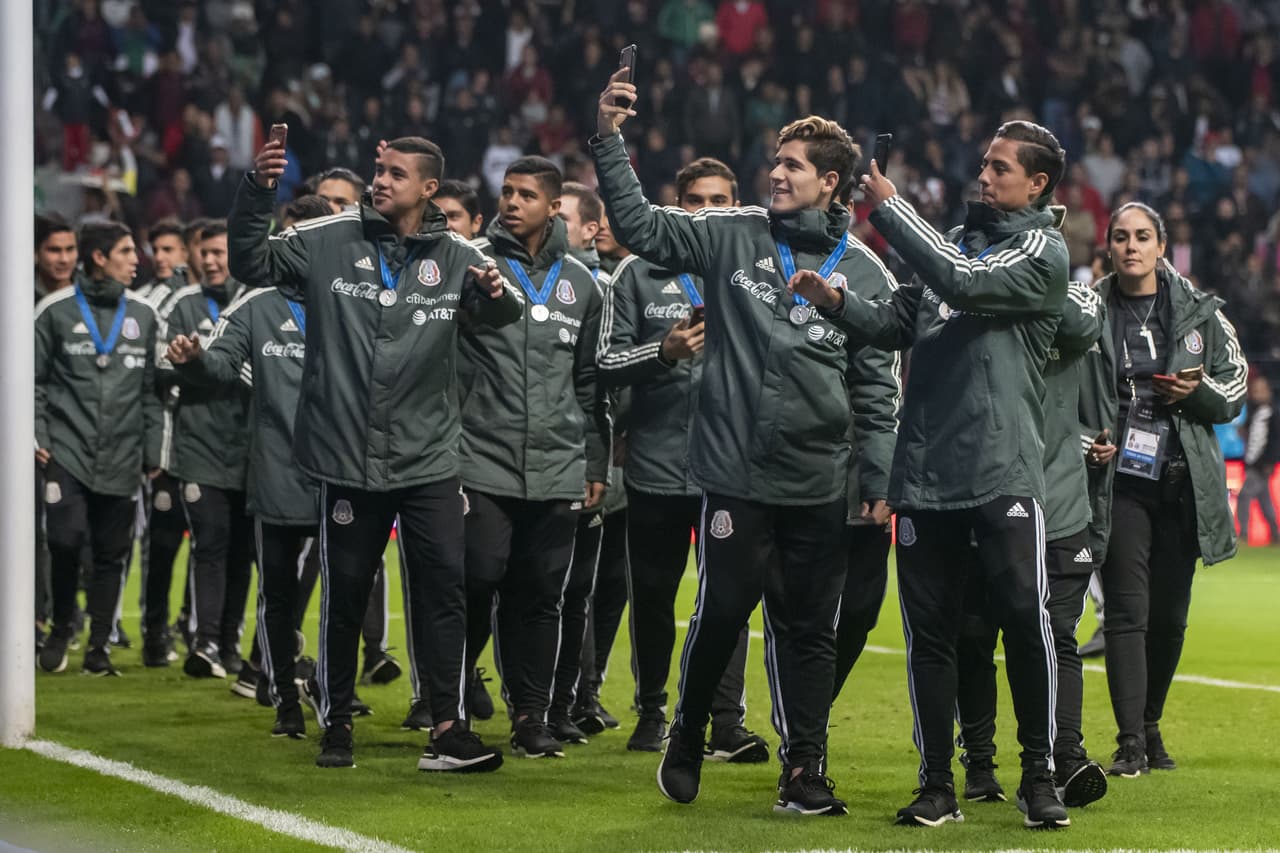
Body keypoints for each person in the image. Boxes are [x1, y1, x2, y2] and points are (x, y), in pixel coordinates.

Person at [595, 69, 900, 815]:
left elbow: (875, 384)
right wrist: (610, 138)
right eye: (776, 159)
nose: (776, 171)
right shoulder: (731, 230)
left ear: (831, 182)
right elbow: (639, 227)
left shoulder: (865, 271)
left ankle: (804, 767)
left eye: (792, 164)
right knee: (724, 607)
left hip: (819, 478)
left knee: (808, 630)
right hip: (734, 472)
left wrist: (876, 472)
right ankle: (689, 730)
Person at [228, 134, 519, 772]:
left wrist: (495, 295)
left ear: (429, 189)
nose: (380, 180)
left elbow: (505, 315)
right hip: (349, 456)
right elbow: (250, 262)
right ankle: (335, 721)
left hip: (429, 459)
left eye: (395, 173)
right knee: (347, 591)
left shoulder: (459, 253)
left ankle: (447, 728)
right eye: (378, 170)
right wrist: (257, 189)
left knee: (446, 587)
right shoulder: (328, 239)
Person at [824, 120, 1072, 828]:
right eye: (984, 165)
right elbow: (897, 317)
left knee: (1024, 620)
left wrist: (889, 205)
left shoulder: (1039, 248)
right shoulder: (955, 247)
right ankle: (938, 784)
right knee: (929, 634)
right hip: (926, 472)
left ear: (1037, 184)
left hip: (1001, 470)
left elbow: (960, 280)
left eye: (1000, 169)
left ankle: (1039, 774)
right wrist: (837, 304)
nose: (984, 177)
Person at [596, 157, 773, 761]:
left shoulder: (756, 270)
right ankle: (651, 710)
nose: (707, 212)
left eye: (720, 201)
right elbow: (604, 365)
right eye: (695, 201)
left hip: (732, 467)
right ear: (675, 207)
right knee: (652, 593)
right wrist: (662, 352)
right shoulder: (636, 274)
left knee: (728, 595)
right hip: (658, 463)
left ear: (736, 204)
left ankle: (725, 721)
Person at [1085, 203, 1247, 777]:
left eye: (1143, 237)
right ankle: (1130, 743)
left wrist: (1195, 395)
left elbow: (1235, 388)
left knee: (1170, 618)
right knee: (1127, 611)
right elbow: (1060, 390)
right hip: (1119, 482)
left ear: (1162, 246)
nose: (1132, 246)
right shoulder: (1087, 310)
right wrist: (1088, 440)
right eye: (1122, 237)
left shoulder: (1200, 311)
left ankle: (1150, 724)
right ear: (1109, 247)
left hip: (1182, 485)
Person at [461, 156, 610, 758]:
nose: (512, 202)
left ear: (554, 208)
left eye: (526, 194)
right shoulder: (471, 263)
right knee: (478, 576)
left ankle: (531, 714)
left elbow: (589, 384)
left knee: (542, 593)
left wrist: (594, 462)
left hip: (555, 460)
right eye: (506, 191)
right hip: (481, 455)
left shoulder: (583, 283)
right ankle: (449, 700)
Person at [166, 194, 331, 738]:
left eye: (306, 236)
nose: (294, 245)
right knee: (278, 593)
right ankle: (282, 695)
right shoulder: (257, 304)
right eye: (287, 236)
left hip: (346, 474)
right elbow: (220, 363)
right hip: (280, 472)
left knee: (344, 593)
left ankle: (332, 696)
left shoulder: (356, 301)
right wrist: (194, 359)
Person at [954, 278, 1111, 811]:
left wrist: (1022, 282)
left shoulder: (1073, 293)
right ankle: (979, 762)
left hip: (1059, 506)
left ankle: (1064, 757)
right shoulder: (967, 286)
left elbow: (1084, 322)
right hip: (986, 498)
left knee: (1057, 637)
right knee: (975, 635)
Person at [35, 222, 161, 675]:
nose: (136, 258)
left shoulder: (145, 315)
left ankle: (98, 647)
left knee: (112, 554)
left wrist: (153, 451)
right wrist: (40, 438)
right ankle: (62, 623)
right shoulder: (54, 312)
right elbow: (33, 382)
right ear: (100, 258)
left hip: (124, 454)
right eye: (127, 251)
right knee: (64, 541)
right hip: (67, 451)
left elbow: (151, 391)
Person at [157, 221, 254, 680]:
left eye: (221, 253)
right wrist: (187, 362)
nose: (213, 261)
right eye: (206, 253)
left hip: (251, 452)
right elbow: (159, 371)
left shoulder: (256, 300)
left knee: (242, 553)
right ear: (194, 256)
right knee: (211, 542)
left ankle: (230, 641)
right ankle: (206, 640)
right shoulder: (181, 305)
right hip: (198, 447)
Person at [136, 217, 192, 667]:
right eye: (159, 248)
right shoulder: (152, 303)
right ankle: (155, 630)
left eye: (171, 248)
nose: (163, 257)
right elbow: (151, 379)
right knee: (163, 541)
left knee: (214, 544)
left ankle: (199, 628)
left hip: (213, 445)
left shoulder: (229, 297)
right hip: (171, 446)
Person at [1238, 374, 1279, 544]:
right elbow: (1249, 434)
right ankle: (1276, 534)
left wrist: (1271, 461)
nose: (1257, 394)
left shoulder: (1273, 413)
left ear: (1269, 392)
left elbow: (1276, 440)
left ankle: (1244, 534)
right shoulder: (1253, 412)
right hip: (1251, 462)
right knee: (1264, 500)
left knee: (1244, 496)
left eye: (1261, 390)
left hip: (1262, 464)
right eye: (1254, 390)